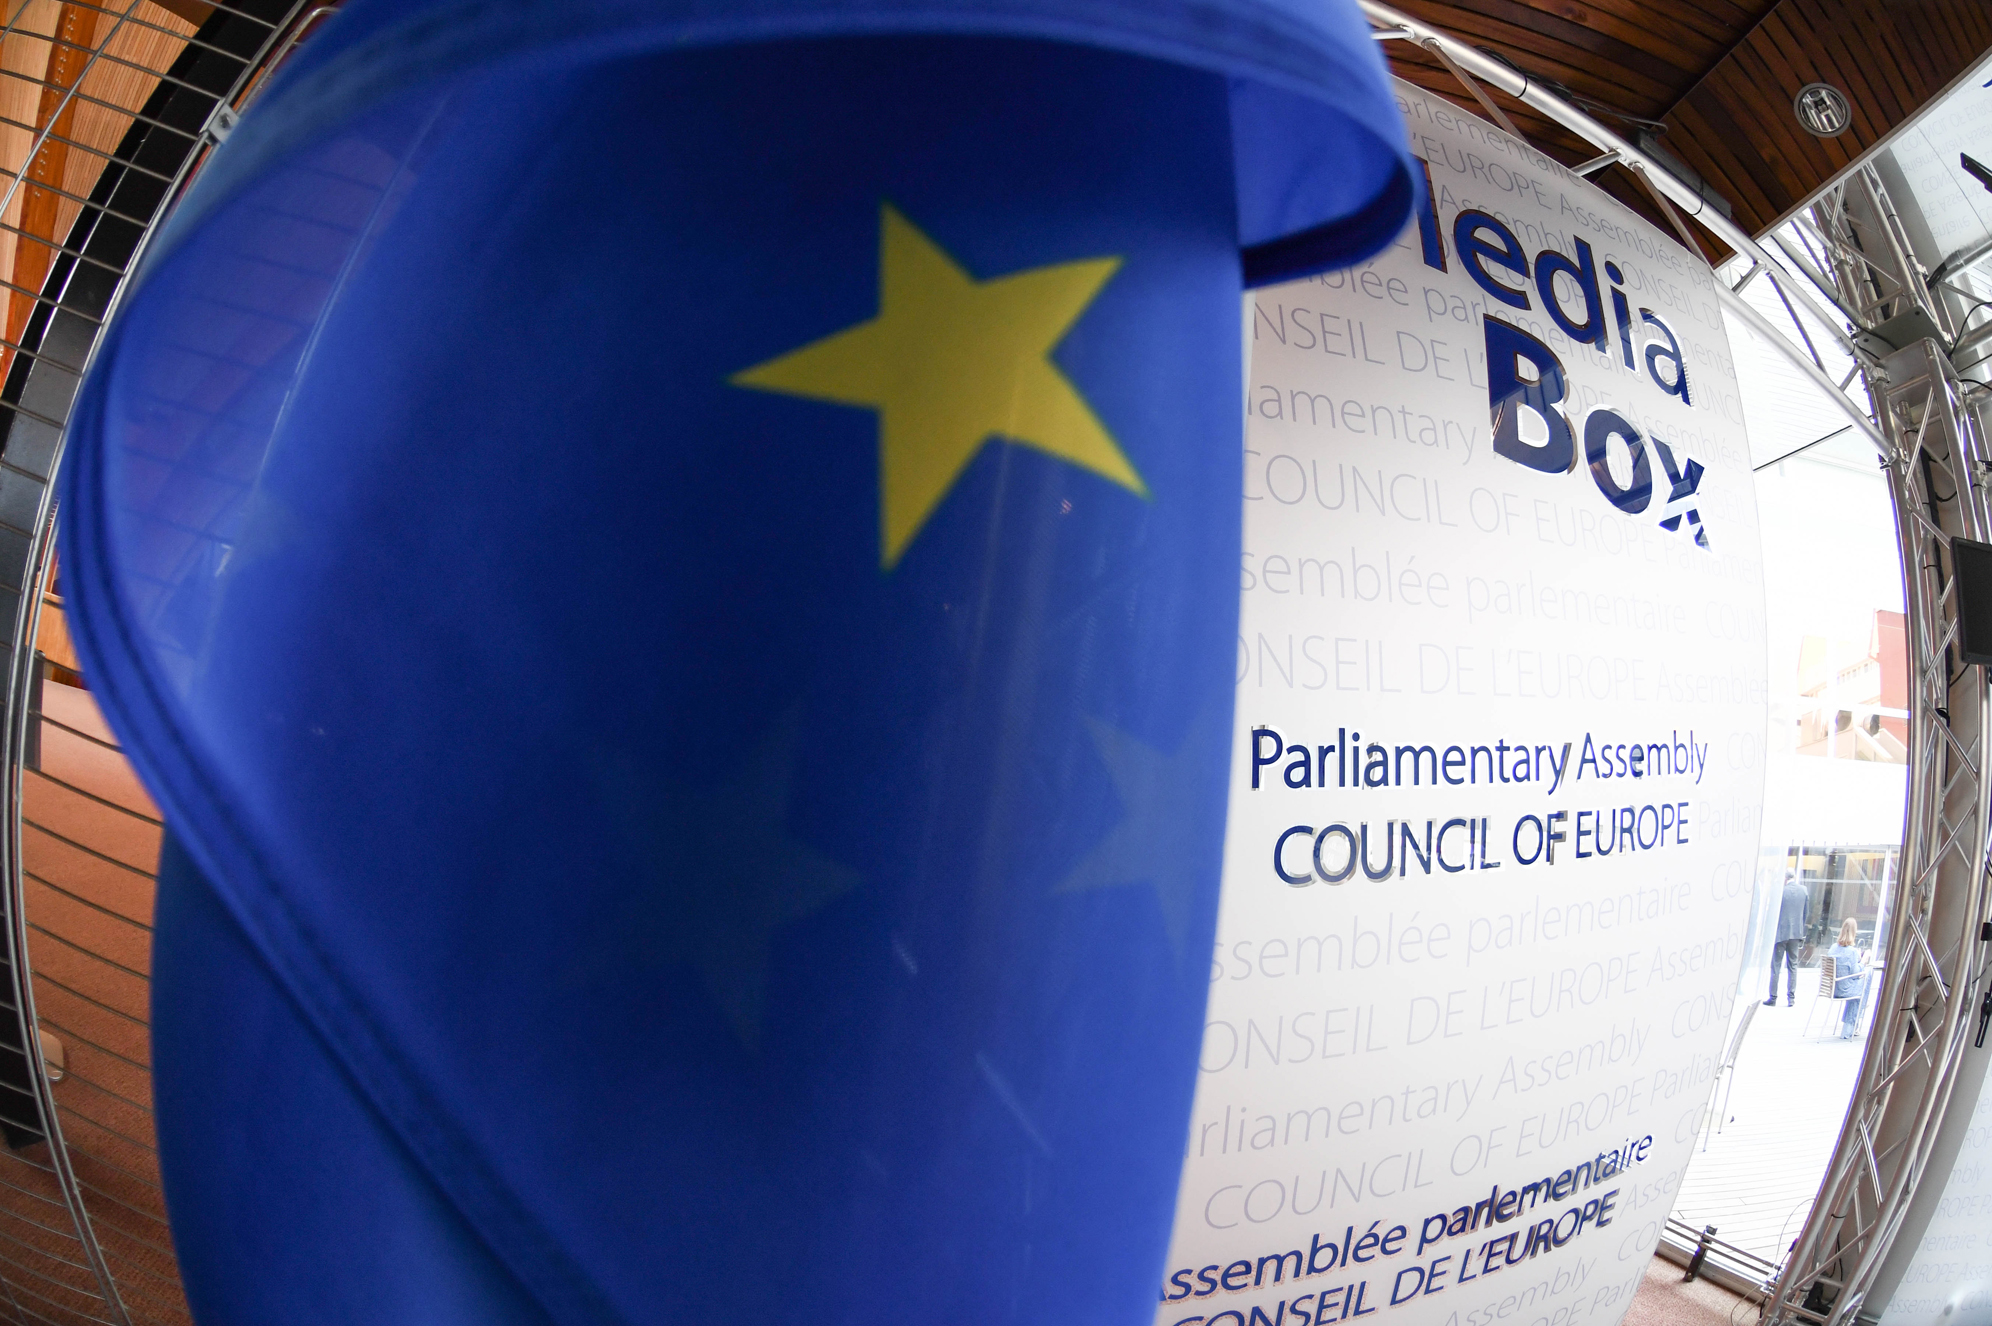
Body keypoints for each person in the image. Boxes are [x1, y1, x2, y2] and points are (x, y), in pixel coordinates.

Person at [1767, 872, 1810, 1006]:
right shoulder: (1803, 891)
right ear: (1794, 877)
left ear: (1785, 878)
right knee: (1793, 966)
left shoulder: (1781, 891)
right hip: (1795, 934)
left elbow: (1773, 912)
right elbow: (1805, 913)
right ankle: (1791, 998)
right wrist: (1800, 928)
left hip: (1781, 933)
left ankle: (1773, 997)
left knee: (1776, 965)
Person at [1826, 917, 1867, 1039]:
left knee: (1859, 991)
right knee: (1866, 981)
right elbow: (1856, 972)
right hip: (1845, 990)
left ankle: (1854, 1021)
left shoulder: (1833, 947)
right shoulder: (1852, 952)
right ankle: (1851, 1026)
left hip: (1832, 988)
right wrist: (1863, 961)